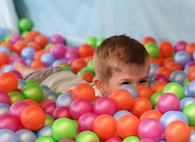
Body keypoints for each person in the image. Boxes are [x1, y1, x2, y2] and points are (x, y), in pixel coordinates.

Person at [13, 34, 151, 97]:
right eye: (126, 82)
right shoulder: (88, 99)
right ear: (102, 86)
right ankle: (18, 65)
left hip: (69, 77)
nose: (136, 89)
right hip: (49, 78)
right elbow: (63, 102)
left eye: (143, 81)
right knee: (27, 73)